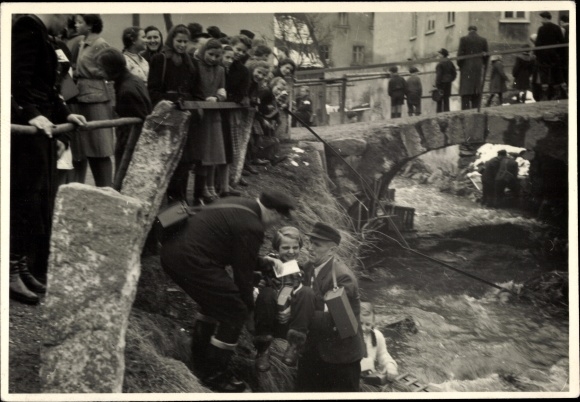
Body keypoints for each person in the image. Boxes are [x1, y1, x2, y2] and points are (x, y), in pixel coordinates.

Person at [160, 190, 297, 392]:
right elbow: (243, 277)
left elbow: (233, 251)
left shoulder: (238, 202)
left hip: (174, 253)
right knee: (234, 311)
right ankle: (214, 376)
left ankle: (199, 357)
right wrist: (249, 312)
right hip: (192, 261)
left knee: (214, 303)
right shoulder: (253, 226)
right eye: (277, 220)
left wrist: (265, 263)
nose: (273, 225)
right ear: (274, 213)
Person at [11, 13, 87, 303]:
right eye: (66, 16)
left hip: (42, 127)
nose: (68, 24)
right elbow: (17, 81)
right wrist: (33, 115)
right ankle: (11, 269)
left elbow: (51, 89)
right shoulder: (27, 27)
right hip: (27, 128)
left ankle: (20, 264)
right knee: (24, 197)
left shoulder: (45, 35)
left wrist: (66, 113)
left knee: (35, 198)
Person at [294, 222, 365, 392]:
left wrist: (296, 314)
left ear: (332, 251)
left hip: (341, 357)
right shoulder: (310, 267)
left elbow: (335, 320)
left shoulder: (343, 278)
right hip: (314, 351)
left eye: (316, 245)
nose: (309, 248)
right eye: (310, 242)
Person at [148, 24, 199, 203]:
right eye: (179, 41)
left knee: (183, 162)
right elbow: (152, 90)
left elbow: (194, 88)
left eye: (185, 42)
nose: (182, 45)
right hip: (167, 115)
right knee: (164, 160)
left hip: (184, 115)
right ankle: (163, 203)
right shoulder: (160, 59)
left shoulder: (190, 62)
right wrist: (168, 99)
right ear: (171, 40)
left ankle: (180, 201)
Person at [252, 226, 314, 371]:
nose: (291, 252)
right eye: (285, 247)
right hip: (269, 320)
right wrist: (268, 261)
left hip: (290, 324)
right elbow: (251, 262)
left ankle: (294, 346)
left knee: (307, 292)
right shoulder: (270, 263)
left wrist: (291, 305)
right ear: (276, 248)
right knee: (267, 293)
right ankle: (263, 350)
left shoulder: (301, 270)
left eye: (295, 247)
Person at [95, 47, 152, 184]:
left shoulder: (127, 90)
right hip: (130, 141)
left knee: (124, 180)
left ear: (112, 69)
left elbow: (139, 121)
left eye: (102, 69)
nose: (99, 72)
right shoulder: (133, 80)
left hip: (130, 144)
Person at [70, 14, 115, 188]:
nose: (76, 24)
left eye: (80, 22)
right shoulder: (82, 43)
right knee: (87, 148)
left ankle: (106, 188)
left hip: (96, 98)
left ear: (89, 26)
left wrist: (94, 79)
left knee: (100, 147)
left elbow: (110, 70)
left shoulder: (100, 44)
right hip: (81, 96)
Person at [191, 39, 227, 204]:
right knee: (203, 153)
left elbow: (222, 89)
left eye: (217, 56)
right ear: (204, 52)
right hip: (200, 113)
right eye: (210, 54)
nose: (213, 58)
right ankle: (202, 188)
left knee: (214, 151)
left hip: (214, 114)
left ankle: (211, 186)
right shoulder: (196, 66)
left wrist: (218, 97)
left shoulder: (220, 70)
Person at [222, 38, 251, 187]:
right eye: (237, 49)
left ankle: (231, 178)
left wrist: (230, 97)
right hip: (217, 110)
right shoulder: (220, 63)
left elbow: (242, 93)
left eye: (243, 51)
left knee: (231, 146)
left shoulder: (243, 71)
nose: (239, 53)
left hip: (232, 110)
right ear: (231, 46)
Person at [359, 302, 399, 391]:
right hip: (355, 379)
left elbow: (383, 354)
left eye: (367, 324)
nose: (363, 328)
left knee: (402, 389)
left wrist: (390, 365)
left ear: (373, 323)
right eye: (360, 323)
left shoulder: (377, 336)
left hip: (370, 376)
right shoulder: (350, 337)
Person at [534, 11, 566, 100]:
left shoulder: (541, 29)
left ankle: (545, 96)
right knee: (558, 74)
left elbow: (538, 44)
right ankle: (563, 93)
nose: (541, 21)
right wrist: (559, 55)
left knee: (544, 75)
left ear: (545, 18)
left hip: (543, 56)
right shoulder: (557, 28)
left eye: (541, 18)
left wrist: (536, 54)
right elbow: (562, 42)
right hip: (554, 55)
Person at [457, 25, 489, 110]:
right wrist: (483, 64)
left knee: (466, 93)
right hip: (478, 69)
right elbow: (487, 56)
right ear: (476, 30)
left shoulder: (463, 39)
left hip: (466, 69)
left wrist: (461, 66)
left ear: (469, 30)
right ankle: (475, 110)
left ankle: (465, 113)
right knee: (476, 92)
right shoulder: (483, 40)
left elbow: (459, 57)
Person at [435, 48, 457, 113]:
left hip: (441, 84)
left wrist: (437, 84)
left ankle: (438, 115)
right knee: (446, 99)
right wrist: (450, 79)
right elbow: (454, 73)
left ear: (443, 55)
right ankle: (447, 114)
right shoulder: (450, 63)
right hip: (448, 83)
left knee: (439, 100)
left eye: (439, 54)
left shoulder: (440, 64)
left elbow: (439, 75)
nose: (438, 55)